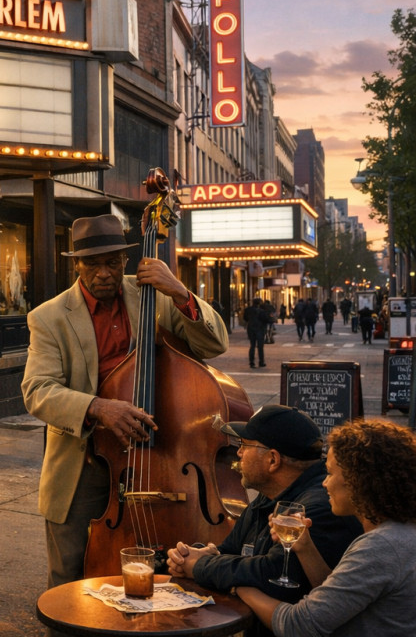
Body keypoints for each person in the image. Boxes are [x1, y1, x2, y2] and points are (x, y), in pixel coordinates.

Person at [21, 214, 229, 587]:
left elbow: (215, 344)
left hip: (160, 456)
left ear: (124, 260)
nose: (104, 273)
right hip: (85, 459)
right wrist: (98, 407)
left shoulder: (153, 295)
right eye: (93, 264)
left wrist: (179, 291)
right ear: (77, 264)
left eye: (113, 262)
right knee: (69, 572)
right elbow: (37, 390)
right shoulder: (49, 317)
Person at [167, 405, 361, 633]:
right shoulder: (270, 495)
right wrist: (195, 555)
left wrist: (200, 566)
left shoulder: (316, 508)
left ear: (272, 460)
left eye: (244, 445)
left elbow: (271, 573)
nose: (239, 453)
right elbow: (231, 551)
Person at [235, 419, 416, 637]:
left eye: (329, 473)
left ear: (357, 481)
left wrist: (241, 587)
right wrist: (305, 548)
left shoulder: (381, 546)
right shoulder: (400, 532)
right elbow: (338, 601)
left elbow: (299, 625)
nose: (324, 483)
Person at [243, 298, 270, 368]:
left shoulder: (248, 310)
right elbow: (266, 319)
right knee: (260, 346)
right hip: (260, 329)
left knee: (252, 345)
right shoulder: (261, 311)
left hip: (251, 328)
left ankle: (251, 362)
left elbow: (245, 318)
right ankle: (261, 361)